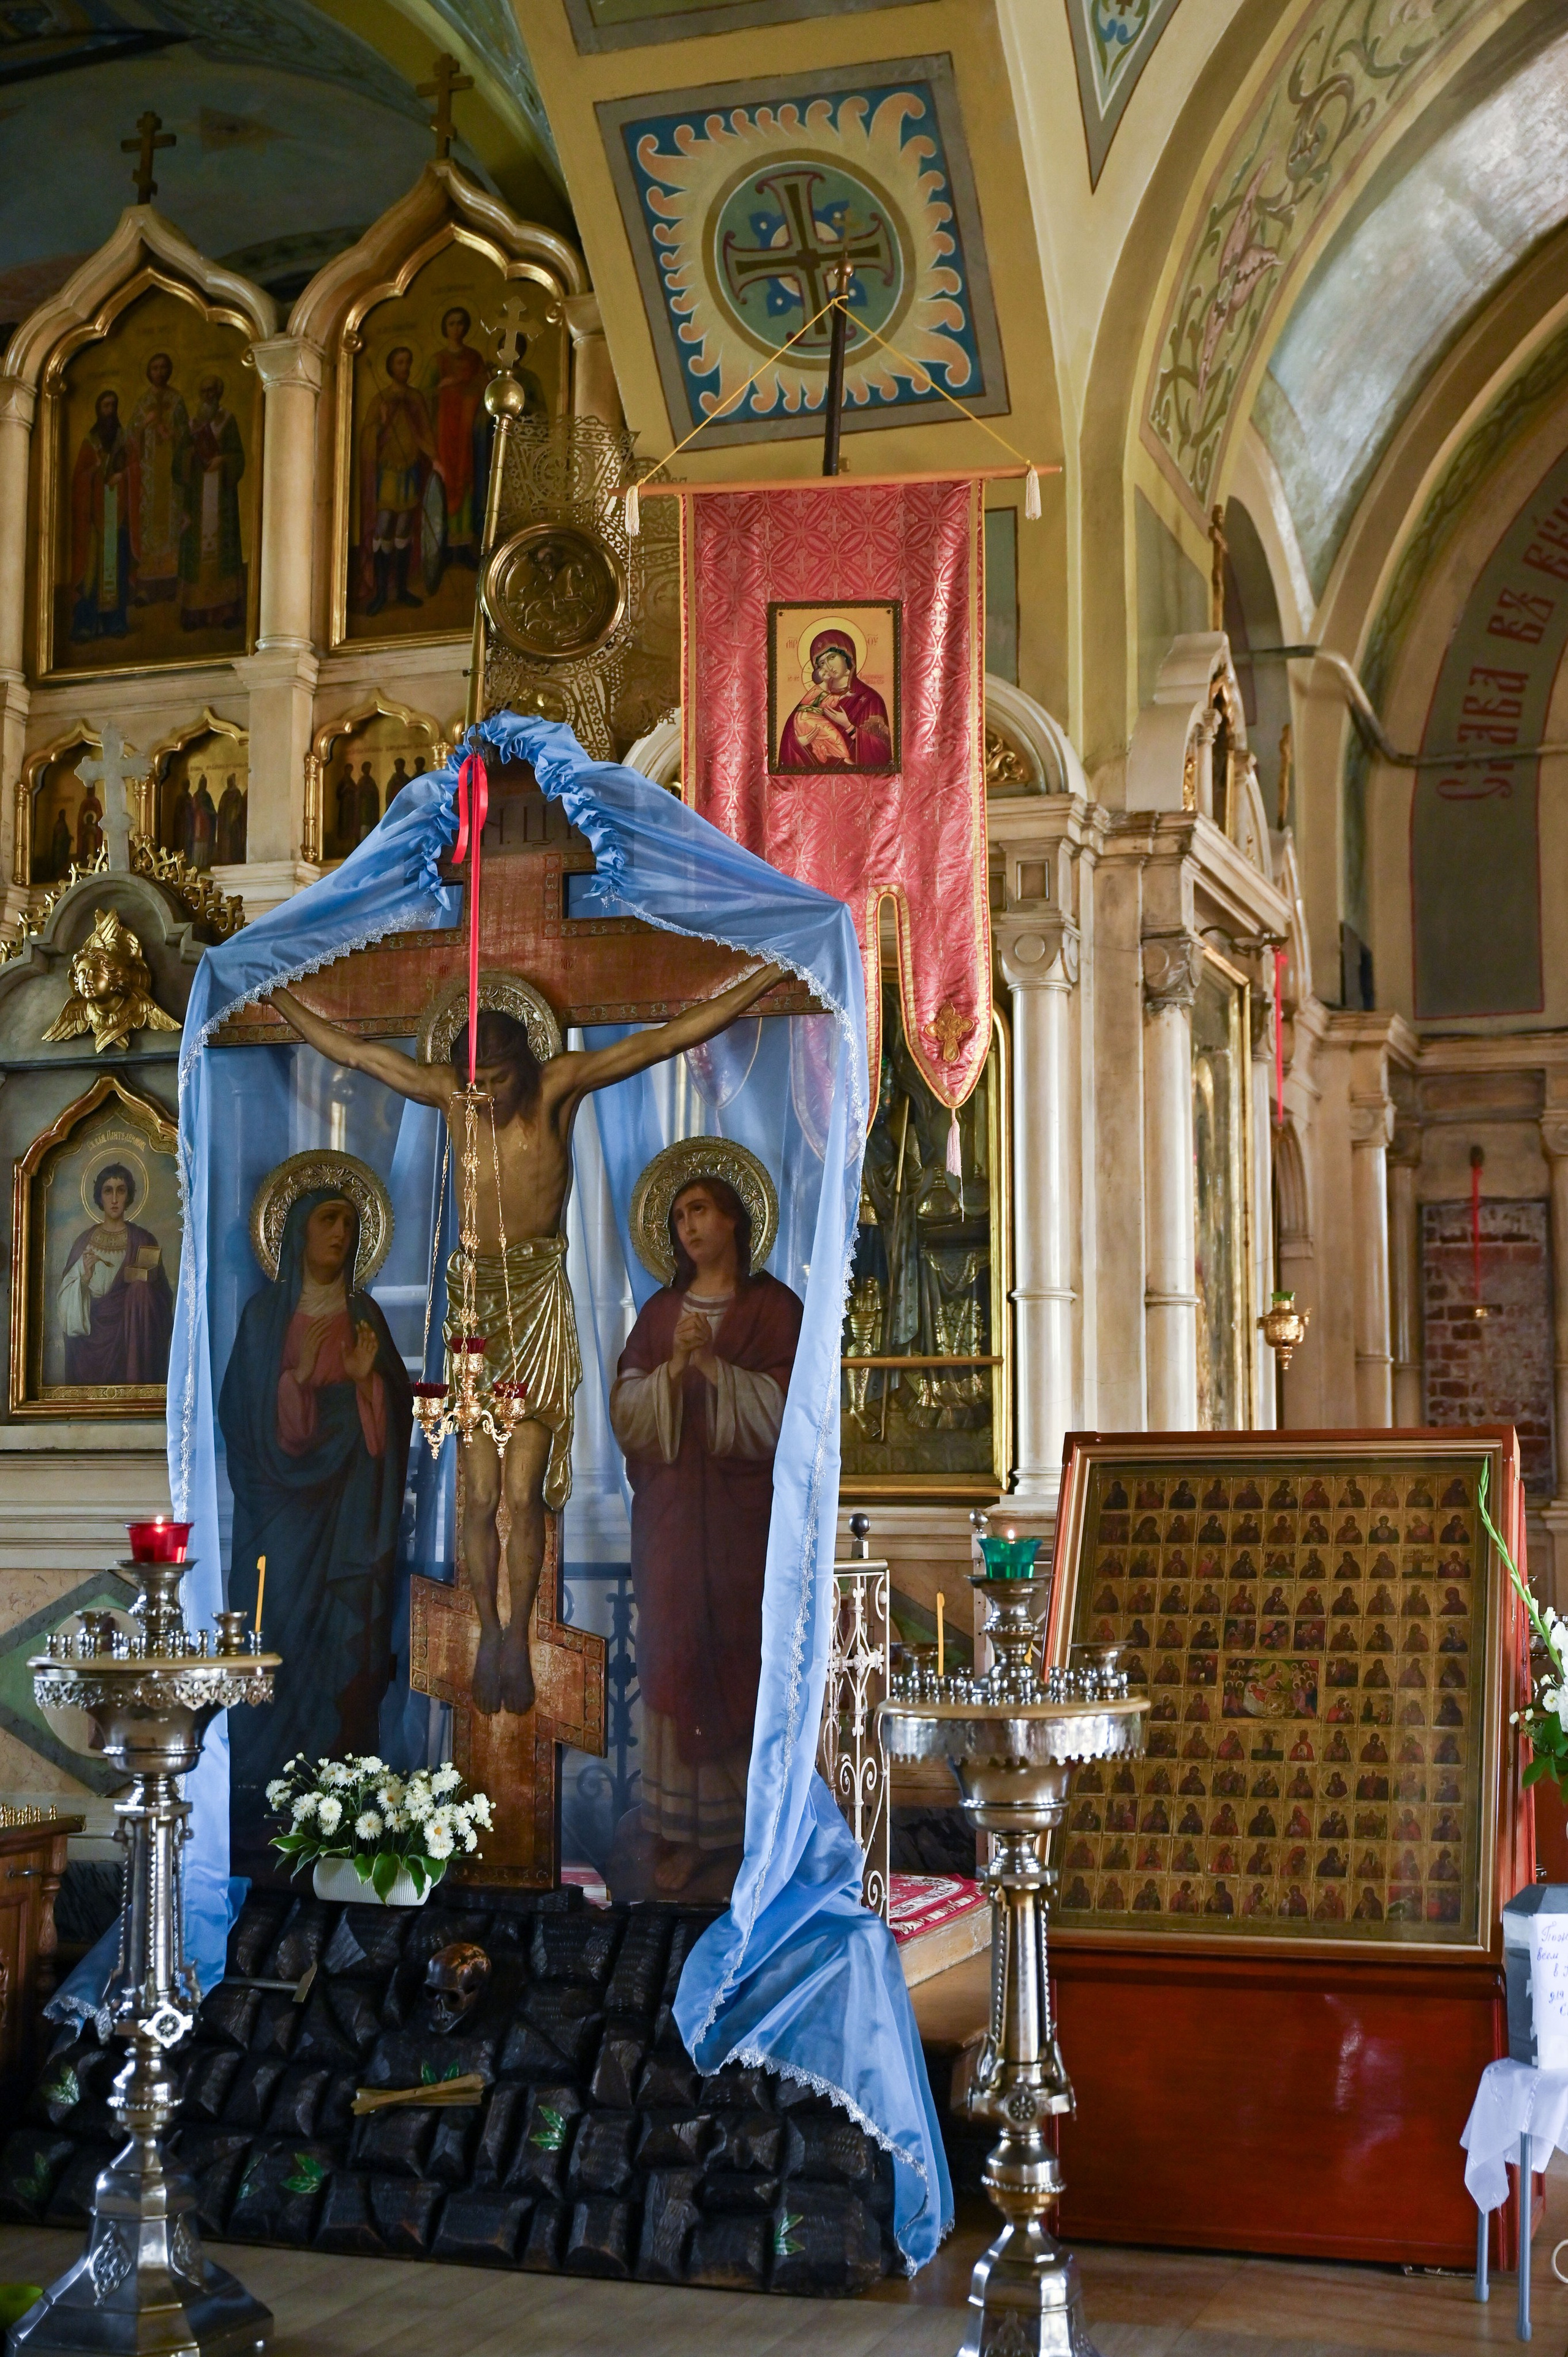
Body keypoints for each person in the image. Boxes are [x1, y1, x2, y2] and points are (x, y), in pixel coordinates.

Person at [266, 960, 783, 1718]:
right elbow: (357, 1055)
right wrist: (278, 998)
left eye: (497, 1080)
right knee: (476, 1497)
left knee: (522, 1491)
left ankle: (517, 1637)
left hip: (537, 1301)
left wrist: (753, 985)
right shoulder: (452, 1095)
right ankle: (491, 1630)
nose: (484, 1095)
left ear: (525, 1066)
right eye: (474, 1081)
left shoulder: (558, 1089)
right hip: (474, 1308)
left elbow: (664, 1041)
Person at [609, 1171, 802, 1895]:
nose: (688, 1226)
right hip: (667, 1526)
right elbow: (625, 1407)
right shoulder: (660, 1313)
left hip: (744, 1531)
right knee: (674, 1651)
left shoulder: (773, 1309)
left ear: (733, 1220)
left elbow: (793, 1413)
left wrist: (715, 1368)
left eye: (700, 1211)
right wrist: (673, 1369)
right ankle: (683, 1832)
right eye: (678, 1215)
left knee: (740, 1658)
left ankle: (749, 1831)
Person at [220, 1186, 412, 1824]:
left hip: (349, 1519)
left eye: (351, 1222)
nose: (341, 1232)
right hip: (278, 1517)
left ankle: (344, 1801)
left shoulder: (366, 1319)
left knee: (343, 1645)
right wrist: (296, 1380)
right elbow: (243, 1421)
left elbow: (393, 1432)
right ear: (299, 1230)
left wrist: (363, 1383)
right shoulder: (263, 1315)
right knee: (274, 1634)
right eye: (328, 1219)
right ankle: (262, 1798)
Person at [58, 1163, 173, 1386]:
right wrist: (84, 1281)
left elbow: (162, 1300)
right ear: (99, 1196)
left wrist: (140, 1293)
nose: (114, 1199)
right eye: (108, 1190)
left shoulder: (143, 1240)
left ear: (128, 1196)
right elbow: (66, 1302)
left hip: (133, 1337)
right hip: (91, 1342)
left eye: (121, 1190)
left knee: (141, 1290)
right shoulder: (84, 1242)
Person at [358, 345, 434, 614]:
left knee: (404, 527)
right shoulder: (380, 399)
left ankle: (400, 589)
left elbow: (424, 432)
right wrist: (381, 422)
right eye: (400, 362)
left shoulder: (415, 398)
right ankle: (381, 593)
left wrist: (435, 460)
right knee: (384, 525)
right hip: (388, 470)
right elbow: (368, 437)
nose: (405, 367)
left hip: (411, 467)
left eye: (408, 362)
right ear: (391, 367)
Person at [175, 376, 246, 630]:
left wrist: (223, 461)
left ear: (219, 393)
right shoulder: (192, 425)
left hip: (221, 498)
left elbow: (239, 457)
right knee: (196, 553)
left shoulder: (228, 422)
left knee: (221, 551)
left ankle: (225, 610)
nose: (207, 396)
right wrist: (191, 455)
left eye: (211, 391)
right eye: (203, 391)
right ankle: (194, 613)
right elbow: (177, 464)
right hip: (196, 499)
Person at [423, 307, 488, 567]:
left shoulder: (474, 358)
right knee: (447, 481)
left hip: (469, 431)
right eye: (451, 323)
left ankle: (463, 547)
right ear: (445, 327)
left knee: (467, 480)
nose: (457, 328)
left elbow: (485, 387)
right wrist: (442, 386)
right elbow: (423, 395)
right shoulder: (437, 360)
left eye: (461, 323)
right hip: (444, 429)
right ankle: (446, 547)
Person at [70, 390, 137, 639]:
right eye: (105, 406)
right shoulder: (90, 443)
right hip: (95, 521)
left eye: (113, 406)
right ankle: (86, 624)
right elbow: (78, 479)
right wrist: (95, 471)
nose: (109, 411)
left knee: (117, 570)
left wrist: (124, 476)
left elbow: (137, 469)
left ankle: (115, 622)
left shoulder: (124, 439)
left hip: (118, 517)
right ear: (99, 410)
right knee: (92, 573)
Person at [777, 628, 893, 769]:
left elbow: (882, 754)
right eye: (822, 663)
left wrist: (848, 726)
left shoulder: (869, 699)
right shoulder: (814, 699)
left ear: (847, 656)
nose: (829, 666)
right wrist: (799, 742)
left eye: (832, 657)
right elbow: (787, 747)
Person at [127, 350, 187, 606]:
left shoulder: (177, 400)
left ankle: (171, 586)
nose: (159, 372)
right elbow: (129, 440)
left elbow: (187, 435)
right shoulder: (142, 403)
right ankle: (145, 589)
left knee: (171, 527)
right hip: (149, 476)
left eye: (163, 367)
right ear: (149, 372)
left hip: (170, 475)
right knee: (148, 529)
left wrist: (172, 432)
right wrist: (145, 426)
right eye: (155, 368)